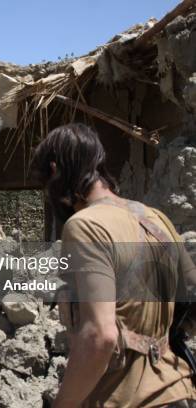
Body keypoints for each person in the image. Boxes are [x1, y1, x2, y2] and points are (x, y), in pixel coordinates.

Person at [32, 123, 196, 407]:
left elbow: (100, 336)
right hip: (178, 392)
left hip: (127, 399)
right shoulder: (156, 219)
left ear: (56, 171)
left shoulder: (85, 226)